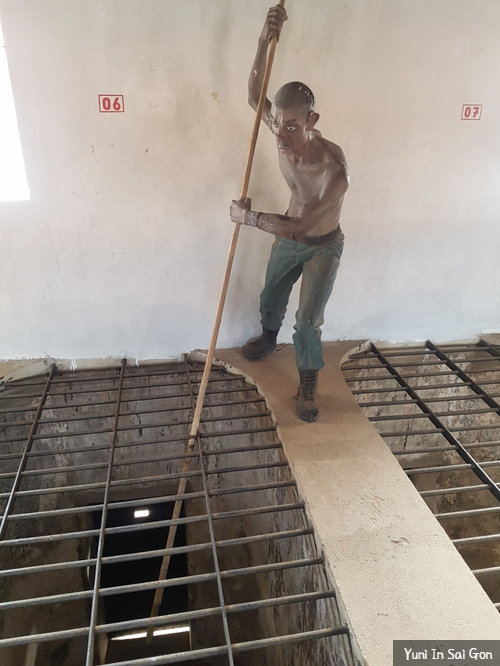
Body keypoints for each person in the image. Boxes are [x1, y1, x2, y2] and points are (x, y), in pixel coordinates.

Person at [230, 4, 349, 422]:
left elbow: (300, 228)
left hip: (320, 244)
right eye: (277, 123)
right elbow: (253, 95)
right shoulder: (280, 127)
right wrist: (264, 39)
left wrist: (249, 219)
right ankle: (268, 337)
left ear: (311, 120)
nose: (280, 134)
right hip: (288, 236)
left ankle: (309, 383)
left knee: (308, 321)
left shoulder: (333, 171)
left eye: (292, 126)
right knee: (271, 297)